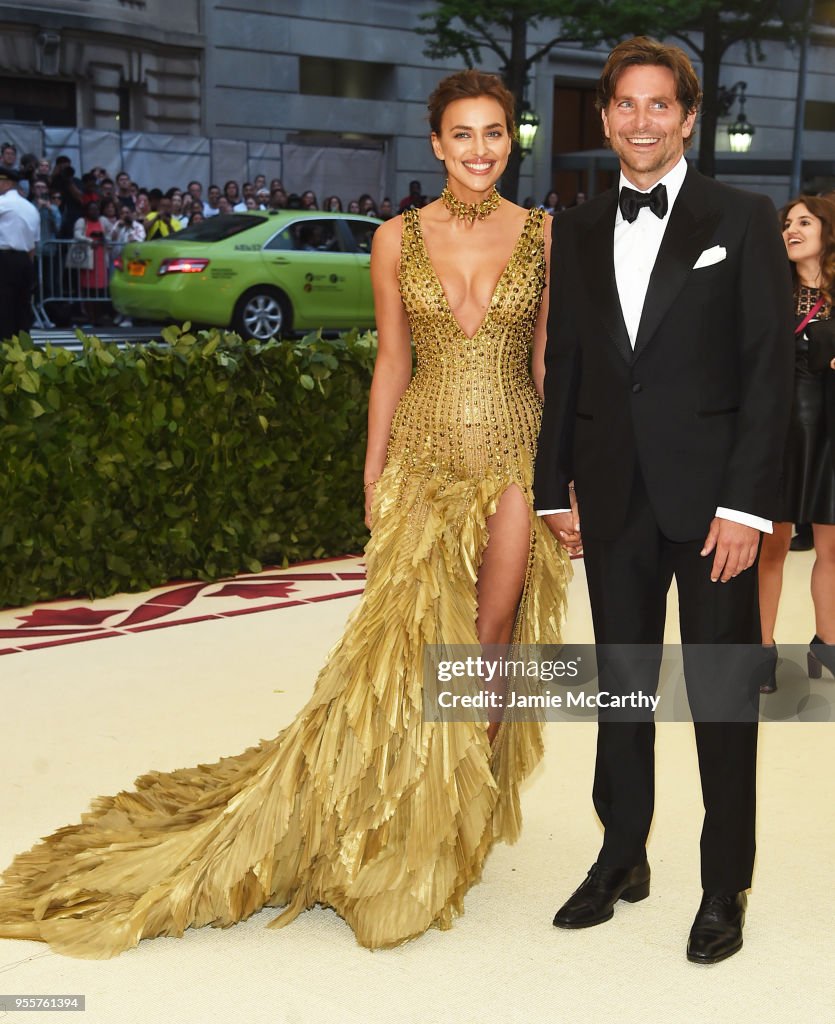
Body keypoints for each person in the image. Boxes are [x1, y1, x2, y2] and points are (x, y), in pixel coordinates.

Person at [0, 68, 570, 961]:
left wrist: (565, 481)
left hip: (512, 454)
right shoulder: (393, 239)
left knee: (491, 640)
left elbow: (545, 365)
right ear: (434, 144)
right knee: (407, 648)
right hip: (420, 455)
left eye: (494, 133)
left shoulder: (542, 237)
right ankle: (390, 818)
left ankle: (457, 819)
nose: (479, 150)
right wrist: (371, 470)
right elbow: (389, 361)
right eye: (461, 134)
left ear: (511, 140)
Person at [534, 37, 794, 965]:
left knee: (722, 694)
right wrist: (548, 489)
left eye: (659, 106)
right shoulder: (574, 225)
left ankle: (723, 883)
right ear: (604, 118)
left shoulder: (745, 216)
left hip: (714, 502)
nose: (641, 121)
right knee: (622, 685)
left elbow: (768, 374)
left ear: (688, 117)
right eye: (624, 105)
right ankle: (620, 857)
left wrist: (746, 507)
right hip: (611, 493)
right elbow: (564, 362)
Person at [757, 195, 835, 692]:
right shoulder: (769, 293)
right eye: (787, 223)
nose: (791, 229)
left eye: (804, 221)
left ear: (828, 232)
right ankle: (761, 650)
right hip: (777, 432)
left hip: (831, 433)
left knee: (832, 548)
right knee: (771, 548)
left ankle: (825, 644)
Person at [0, 168, 41, 342]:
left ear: (6, 183)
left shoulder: (2, 202)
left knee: (4, 307)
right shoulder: (31, 207)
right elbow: (34, 244)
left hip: (5, 258)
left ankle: (4, 349)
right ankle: (22, 351)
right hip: (25, 259)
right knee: (22, 307)